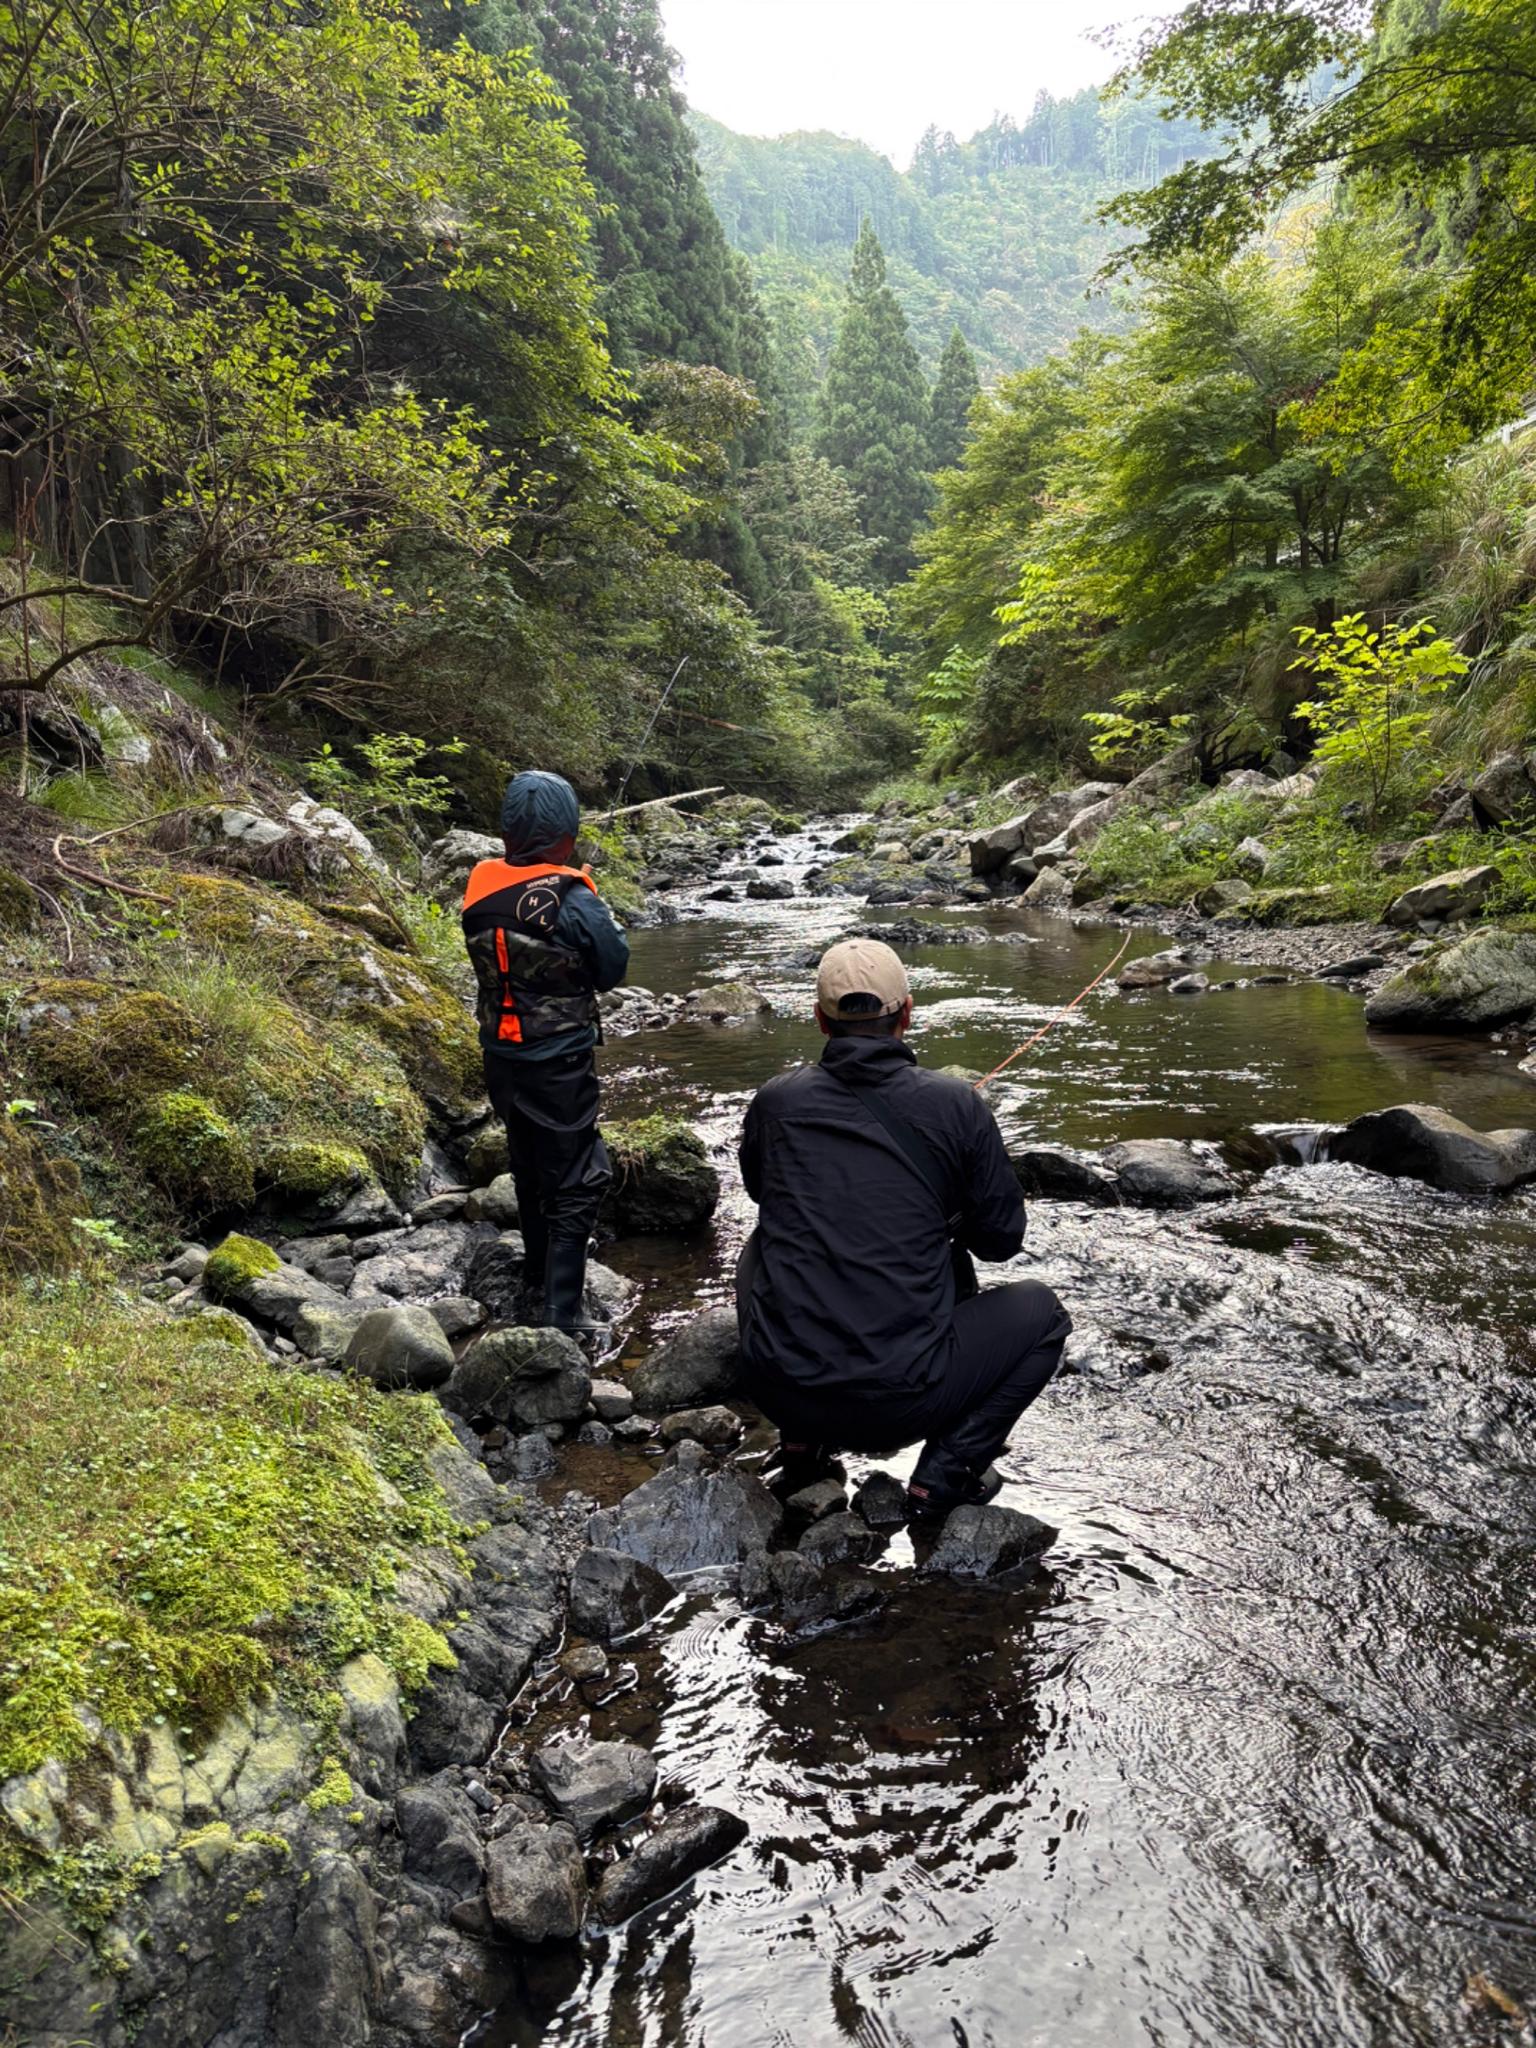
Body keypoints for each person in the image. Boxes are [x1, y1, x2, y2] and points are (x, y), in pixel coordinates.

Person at [736, 936, 1071, 1517]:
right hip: (900, 1403)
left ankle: (802, 1441)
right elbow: (1000, 1242)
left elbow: (764, 1193)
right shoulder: (956, 1104)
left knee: (762, 1244)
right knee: (1043, 1314)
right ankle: (944, 1474)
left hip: (780, 1386)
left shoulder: (775, 1101)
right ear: (907, 1014)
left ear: (820, 1020)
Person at [461, 770, 629, 1334]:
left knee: (529, 1161)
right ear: (568, 836)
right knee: (578, 1175)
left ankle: (535, 1276)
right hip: (558, 1059)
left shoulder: (479, 883)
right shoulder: (574, 898)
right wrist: (582, 892)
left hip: (500, 1056)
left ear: (506, 835)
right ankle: (563, 1313)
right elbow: (613, 968)